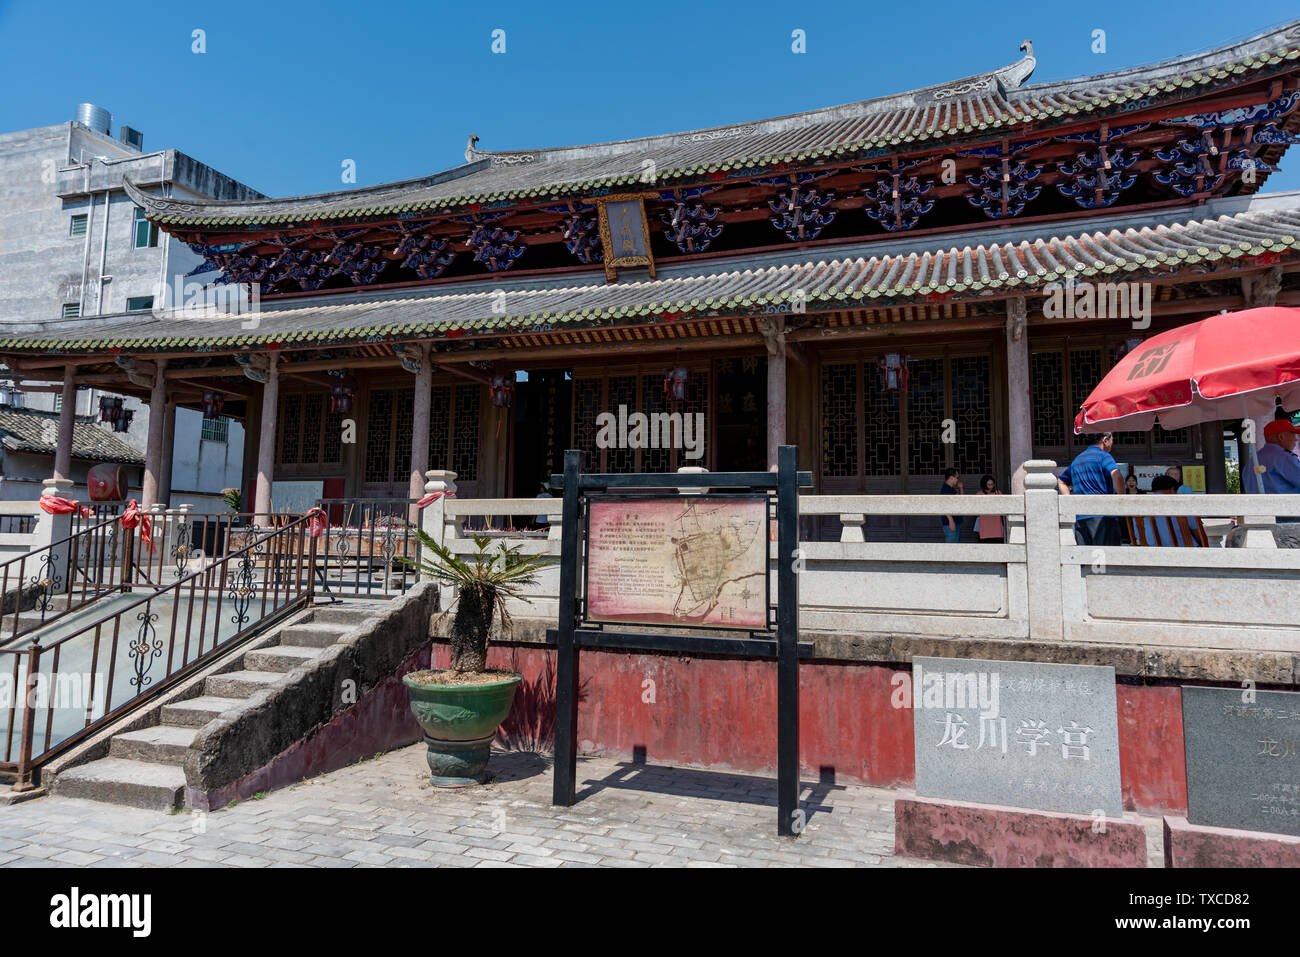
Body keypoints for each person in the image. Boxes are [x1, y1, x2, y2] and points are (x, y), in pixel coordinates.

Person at [1057, 432, 1124, 546]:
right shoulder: (1104, 456)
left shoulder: (1078, 459)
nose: (1112, 443)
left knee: (1087, 558)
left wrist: (1070, 501)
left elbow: (1061, 481)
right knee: (1107, 557)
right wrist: (1122, 498)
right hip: (1103, 516)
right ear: (1105, 440)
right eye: (1112, 439)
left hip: (1081, 516)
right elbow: (1116, 475)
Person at [1139, 474, 1204, 545]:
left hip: (1155, 553)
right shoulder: (1182, 505)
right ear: (1173, 490)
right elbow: (1199, 535)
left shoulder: (1143, 507)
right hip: (1185, 552)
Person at [1258, 419, 1300, 503]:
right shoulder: (1283, 457)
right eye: (1293, 435)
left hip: (1258, 511)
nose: (1296, 439)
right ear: (1281, 437)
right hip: (1286, 511)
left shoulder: (1253, 460)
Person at [975, 474, 1004, 543]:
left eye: (992, 484)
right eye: (989, 484)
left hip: (996, 525)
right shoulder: (979, 494)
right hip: (984, 525)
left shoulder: (998, 493)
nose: (991, 486)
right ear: (984, 484)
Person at [939, 468, 963, 543]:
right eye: (957, 477)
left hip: (956, 521)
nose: (958, 480)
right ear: (951, 478)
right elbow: (943, 506)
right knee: (951, 548)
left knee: (955, 547)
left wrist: (961, 488)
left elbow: (962, 501)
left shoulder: (952, 489)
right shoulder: (946, 489)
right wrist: (951, 520)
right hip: (951, 522)